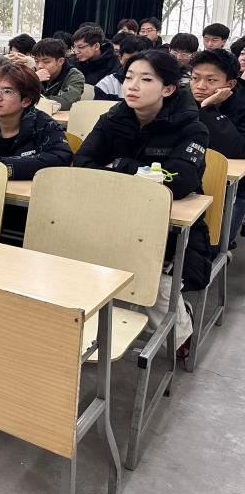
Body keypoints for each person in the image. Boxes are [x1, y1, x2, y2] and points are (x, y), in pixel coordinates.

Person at [74, 50, 209, 349]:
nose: (132, 86)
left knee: (151, 282)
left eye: (146, 79)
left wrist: (119, 165)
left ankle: (181, 336)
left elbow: (179, 182)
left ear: (168, 89)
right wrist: (145, 174)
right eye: (129, 78)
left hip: (168, 228)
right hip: (111, 214)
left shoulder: (192, 128)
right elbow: (82, 164)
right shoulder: (112, 118)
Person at [190, 48, 245, 247]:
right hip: (191, 175)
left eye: (211, 80)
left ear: (230, 84)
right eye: (195, 78)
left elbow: (238, 150)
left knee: (214, 244)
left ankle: (221, 248)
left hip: (234, 186)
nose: (200, 86)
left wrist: (208, 109)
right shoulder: (182, 96)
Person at [31, 38, 85, 110]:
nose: (40, 66)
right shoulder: (32, 72)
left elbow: (67, 102)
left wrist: (33, 100)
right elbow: (19, 96)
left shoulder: (75, 76)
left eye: (46, 62)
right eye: (36, 61)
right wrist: (32, 80)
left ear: (60, 61)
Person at [95, 35, 151, 99]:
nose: (134, 66)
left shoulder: (157, 84)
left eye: (141, 62)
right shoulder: (107, 85)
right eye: (129, 62)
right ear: (120, 58)